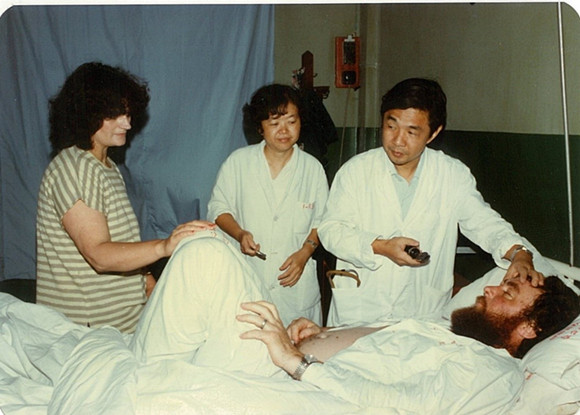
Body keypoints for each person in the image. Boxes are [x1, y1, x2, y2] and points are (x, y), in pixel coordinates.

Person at [131, 232, 579, 413]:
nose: (490, 289)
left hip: (290, 383)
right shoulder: (446, 331)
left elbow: (401, 405)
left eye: (508, 294)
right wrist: (318, 333)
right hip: (287, 359)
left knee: (206, 252)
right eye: (501, 284)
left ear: (529, 329)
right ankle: (140, 375)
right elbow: (376, 346)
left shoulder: (491, 370)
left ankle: (133, 382)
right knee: (209, 250)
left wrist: (297, 363)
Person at [317, 77, 544, 326]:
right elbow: (331, 230)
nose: (398, 140)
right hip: (361, 309)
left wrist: (518, 252)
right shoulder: (356, 171)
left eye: (411, 132)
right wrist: (379, 246)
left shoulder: (451, 174)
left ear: (433, 133)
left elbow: (483, 222)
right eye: (391, 126)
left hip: (422, 311)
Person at [36, 62, 214, 333]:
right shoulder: (75, 167)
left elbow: (118, 242)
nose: (127, 123)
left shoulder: (106, 167)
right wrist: (164, 246)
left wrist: (145, 277)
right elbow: (99, 254)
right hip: (88, 330)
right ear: (86, 113)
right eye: (115, 114)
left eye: (128, 113)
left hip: (120, 325)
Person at [207, 84, 329, 325]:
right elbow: (218, 209)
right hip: (248, 279)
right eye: (274, 123)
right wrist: (240, 234)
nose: (284, 130)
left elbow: (323, 221)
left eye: (291, 121)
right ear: (260, 127)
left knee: (299, 342)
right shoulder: (238, 162)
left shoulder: (312, 168)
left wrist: (305, 253)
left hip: (296, 290)